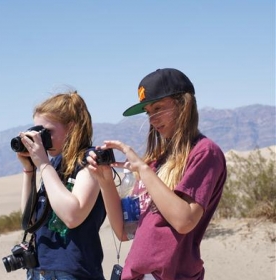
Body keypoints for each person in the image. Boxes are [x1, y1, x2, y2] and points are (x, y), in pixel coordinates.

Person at [87, 68, 227, 280]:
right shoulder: (156, 160)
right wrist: (105, 181)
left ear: (184, 105)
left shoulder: (205, 152)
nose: (152, 119)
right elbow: (125, 231)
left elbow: (184, 220)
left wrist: (142, 170)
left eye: (158, 108)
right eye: (148, 111)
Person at [16, 91, 106, 280]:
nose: (41, 139)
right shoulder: (54, 165)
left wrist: (43, 164)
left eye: (46, 132)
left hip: (73, 272)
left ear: (71, 128)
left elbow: (72, 216)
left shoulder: (90, 161)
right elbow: (29, 221)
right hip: (40, 271)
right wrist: (30, 170)